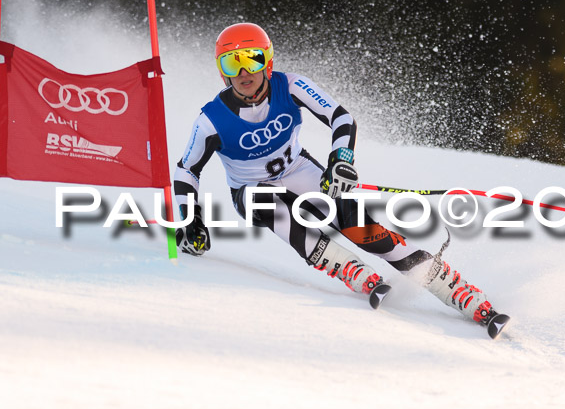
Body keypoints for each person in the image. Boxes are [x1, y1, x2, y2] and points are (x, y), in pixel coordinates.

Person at [173, 22, 508, 336]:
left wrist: (340, 160)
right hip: (250, 191)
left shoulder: (289, 86)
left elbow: (341, 117)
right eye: (233, 64)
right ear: (222, 71)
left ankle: (460, 293)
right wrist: (192, 219)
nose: (244, 72)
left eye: (252, 59)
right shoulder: (211, 119)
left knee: (362, 228)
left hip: (298, 172)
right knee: (273, 208)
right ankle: (347, 268)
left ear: (268, 61)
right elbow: (187, 169)